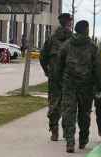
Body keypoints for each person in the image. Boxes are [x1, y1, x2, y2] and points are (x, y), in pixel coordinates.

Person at [59, 20, 101, 153]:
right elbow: (98, 69)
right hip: (86, 86)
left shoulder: (67, 45)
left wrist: (60, 81)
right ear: (86, 30)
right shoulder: (92, 47)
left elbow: (59, 64)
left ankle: (70, 142)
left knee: (69, 113)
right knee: (84, 114)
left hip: (69, 85)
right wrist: (100, 86)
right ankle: (83, 140)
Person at [39, 13, 73, 141]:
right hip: (69, 78)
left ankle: (54, 131)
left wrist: (47, 70)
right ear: (69, 23)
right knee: (68, 105)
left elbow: (43, 56)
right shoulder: (73, 39)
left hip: (54, 77)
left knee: (54, 104)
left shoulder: (51, 39)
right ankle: (66, 131)